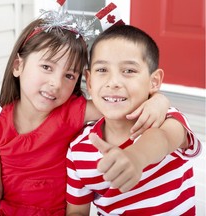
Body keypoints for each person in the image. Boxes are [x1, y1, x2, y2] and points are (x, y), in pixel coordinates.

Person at [0, 8, 171, 216]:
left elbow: (118, 104)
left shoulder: (73, 111)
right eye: (47, 67)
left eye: (69, 75)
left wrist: (158, 100)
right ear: (18, 66)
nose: (55, 84)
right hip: (4, 209)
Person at [66, 24, 202, 216]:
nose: (113, 82)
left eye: (129, 71)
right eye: (102, 69)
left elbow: (162, 138)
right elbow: (77, 212)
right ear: (89, 81)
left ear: (154, 81)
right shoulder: (78, 149)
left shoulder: (168, 118)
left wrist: (136, 157)